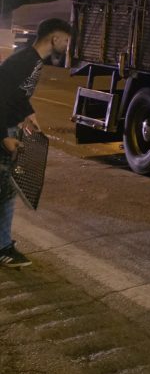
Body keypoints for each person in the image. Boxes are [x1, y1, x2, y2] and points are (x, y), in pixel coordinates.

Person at [0, 17, 71, 268]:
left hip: (9, 125)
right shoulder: (26, 62)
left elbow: (17, 95)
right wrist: (5, 136)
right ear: (54, 38)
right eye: (66, 40)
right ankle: (3, 247)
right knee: (6, 191)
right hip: (3, 129)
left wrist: (29, 114)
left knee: (6, 189)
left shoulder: (32, 61)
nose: (67, 45)